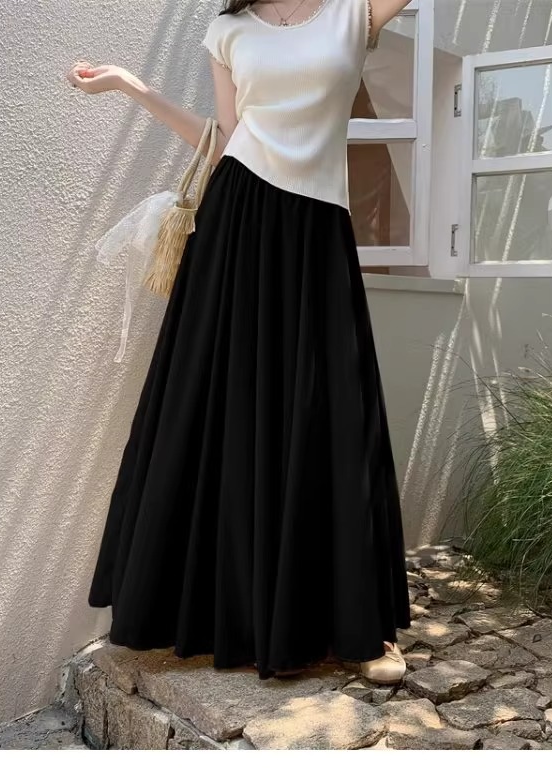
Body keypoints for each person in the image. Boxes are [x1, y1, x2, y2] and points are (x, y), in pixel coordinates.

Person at [66, 0, 413, 685]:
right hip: (237, 226)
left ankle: (357, 626)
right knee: (225, 413)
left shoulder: (356, 14)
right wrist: (134, 88)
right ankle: (221, 616)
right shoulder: (228, 29)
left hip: (316, 235)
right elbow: (226, 138)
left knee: (334, 413)